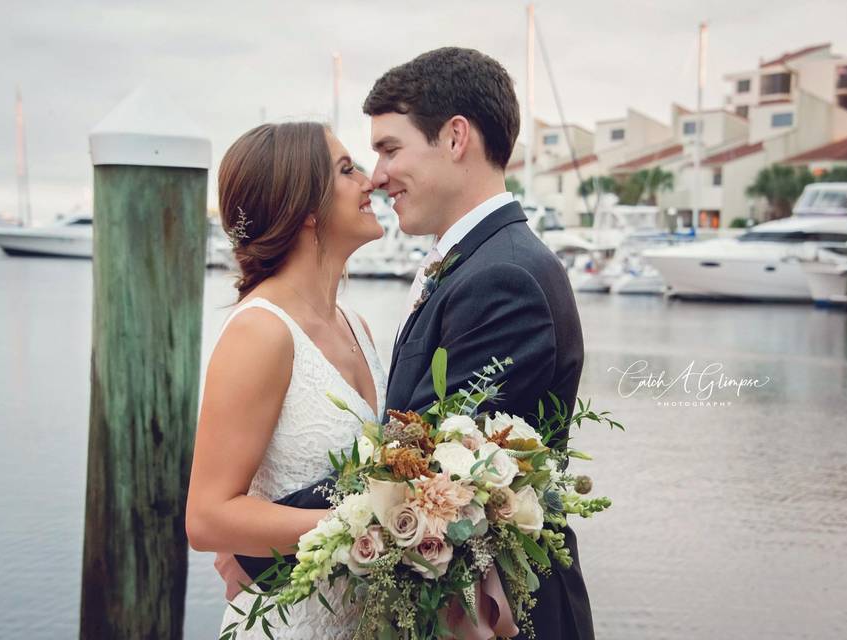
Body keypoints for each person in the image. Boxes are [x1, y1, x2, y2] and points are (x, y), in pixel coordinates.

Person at [364, 47, 594, 640]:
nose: (376, 176)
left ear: (455, 137)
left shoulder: (503, 278)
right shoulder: (476, 262)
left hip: (502, 617)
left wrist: (260, 542)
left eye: (390, 149)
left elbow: (438, 473)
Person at [185, 122, 387, 639]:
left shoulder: (355, 326)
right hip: (288, 624)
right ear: (306, 209)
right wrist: (372, 523)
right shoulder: (261, 332)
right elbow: (207, 518)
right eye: (347, 170)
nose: (371, 181)